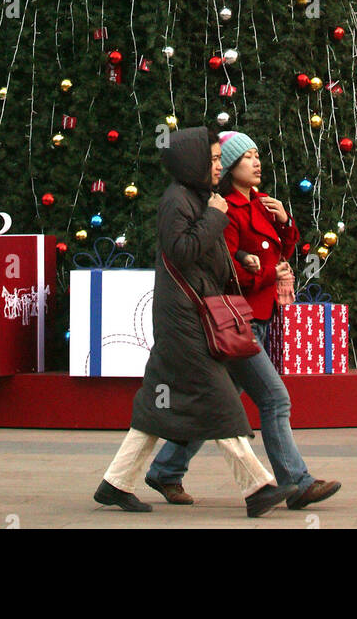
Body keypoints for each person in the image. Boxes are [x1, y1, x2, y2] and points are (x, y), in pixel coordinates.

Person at [94, 126, 296, 516]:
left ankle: (115, 483)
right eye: (215, 159)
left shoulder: (197, 196)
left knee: (156, 405)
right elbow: (183, 249)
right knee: (222, 401)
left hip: (187, 316)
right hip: (183, 321)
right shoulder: (178, 200)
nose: (220, 166)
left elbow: (204, 254)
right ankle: (258, 487)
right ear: (194, 161)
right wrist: (217, 219)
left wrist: (239, 261)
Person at [145, 131, 341, 510]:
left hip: (260, 317)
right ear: (229, 169)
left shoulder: (261, 204)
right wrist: (268, 271)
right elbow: (226, 272)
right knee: (274, 399)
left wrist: (285, 222)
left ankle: (165, 470)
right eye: (246, 157)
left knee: (216, 404)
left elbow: (280, 250)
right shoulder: (225, 209)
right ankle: (296, 482)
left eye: (257, 155)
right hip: (238, 320)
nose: (256, 162)